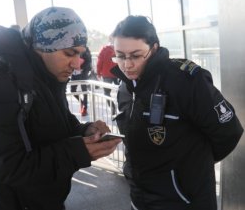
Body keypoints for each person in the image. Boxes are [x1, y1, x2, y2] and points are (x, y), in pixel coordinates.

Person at [0, 7, 122, 210]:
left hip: (42, 200)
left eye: (80, 54)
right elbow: (4, 165)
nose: (77, 64)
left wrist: (84, 131)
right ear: (42, 47)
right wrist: (76, 152)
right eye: (70, 53)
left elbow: (54, 123)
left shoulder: (45, 76)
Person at [110, 15, 244, 210]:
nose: (127, 64)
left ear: (154, 48)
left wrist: (189, 169)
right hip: (140, 198)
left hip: (185, 201)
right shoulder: (126, 87)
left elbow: (228, 131)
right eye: (120, 55)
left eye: (136, 55)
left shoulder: (185, 81)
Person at [96, 42, 119, 115]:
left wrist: (98, 73)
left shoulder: (104, 49)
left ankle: (113, 108)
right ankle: (122, 108)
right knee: (120, 91)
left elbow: (99, 62)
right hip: (117, 73)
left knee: (107, 93)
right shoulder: (118, 48)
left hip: (106, 74)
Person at [70, 46, 92, 116]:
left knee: (84, 90)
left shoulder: (85, 49)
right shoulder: (72, 48)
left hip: (83, 73)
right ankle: (82, 103)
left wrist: (82, 68)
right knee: (72, 90)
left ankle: (85, 108)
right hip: (74, 73)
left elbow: (88, 61)